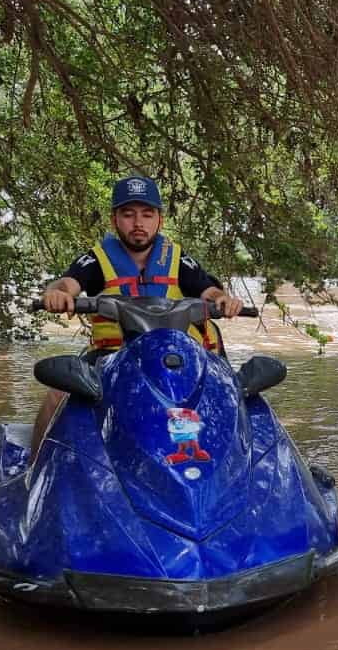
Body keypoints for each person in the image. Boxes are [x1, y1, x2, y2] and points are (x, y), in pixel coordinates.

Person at [31, 175, 242, 448]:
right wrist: (57, 293)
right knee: (57, 395)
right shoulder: (96, 260)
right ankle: (33, 464)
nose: (138, 223)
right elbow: (67, 283)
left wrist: (223, 299)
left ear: (159, 220)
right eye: (128, 214)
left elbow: (208, 291)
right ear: (114, 220)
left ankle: (234, 454)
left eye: (147, 214)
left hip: (174, 355)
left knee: (230, 390)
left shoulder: (178, 259)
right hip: (112, 356)